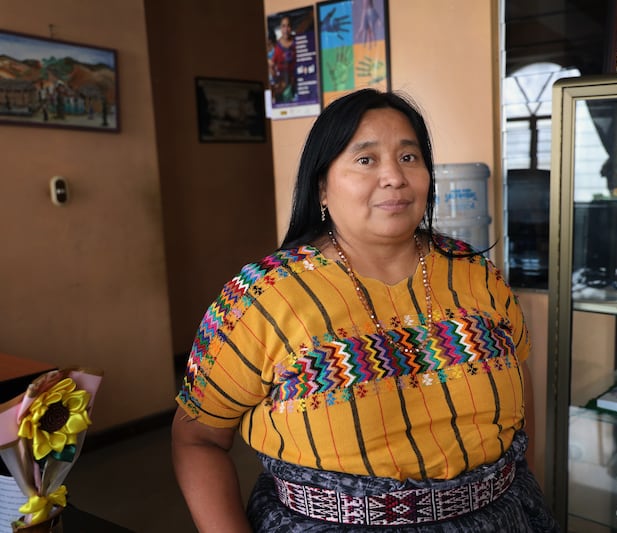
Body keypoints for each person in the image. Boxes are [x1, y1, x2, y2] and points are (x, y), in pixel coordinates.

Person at [172, 88, 560, 532]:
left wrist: (522, 494)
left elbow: (520, 386)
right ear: (322, 184)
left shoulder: (478, 274)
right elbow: (197, 437)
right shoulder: (259, 298)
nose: (395, 176)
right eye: (366, 160)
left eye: (409, 158)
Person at [271, 15, 297, 103]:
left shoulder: (298, 42)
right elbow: (271, 65)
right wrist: (276, 82)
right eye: (283, 26)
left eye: (288, 26)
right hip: (282, 87)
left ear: (291, 27)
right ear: (280, 28)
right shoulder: (276, 47)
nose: (286, 29)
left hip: (296, 84)